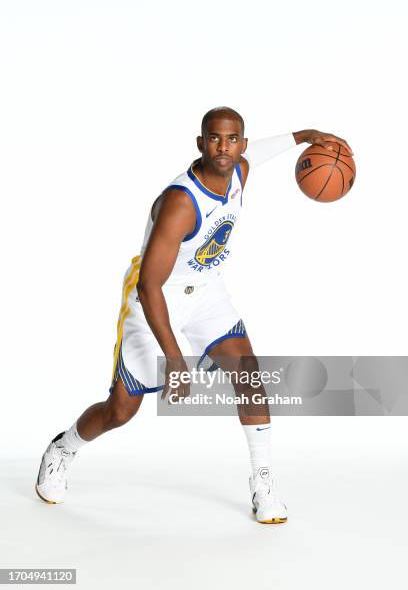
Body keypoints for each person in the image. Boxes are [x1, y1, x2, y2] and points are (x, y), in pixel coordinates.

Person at [35, 107, 352, 523]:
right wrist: (175, 360)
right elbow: (149, 287)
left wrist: (304, 135)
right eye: (215, 139)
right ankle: (64, 448)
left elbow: (261, 153)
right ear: (200, 143)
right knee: (121, 410)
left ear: (241, 142)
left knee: (249, 376)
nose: (224, 147)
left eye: (233, 139)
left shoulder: (239, 170)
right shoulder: (181, 203)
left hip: (204, 290)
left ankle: (263, 482)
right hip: (155, 297)